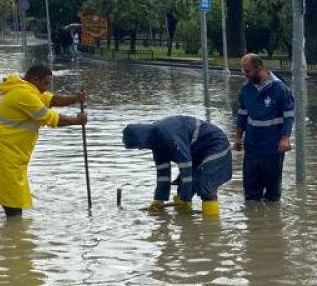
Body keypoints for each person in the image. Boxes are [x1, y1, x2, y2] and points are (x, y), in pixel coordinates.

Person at [0, 64, 89, 217]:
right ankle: (15, 232)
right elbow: (49, 117)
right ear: (34, 79)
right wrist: (76, 121)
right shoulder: (24, 94)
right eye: (45, 84)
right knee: (11, 195)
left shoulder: (27, 89)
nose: (46, 88)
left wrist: (75, 99)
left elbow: (51, 99)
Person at [122, 115, 233, 215]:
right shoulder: (155, 142)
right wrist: (159, 200)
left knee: (206, 185)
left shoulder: (169, 135)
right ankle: (187, 227)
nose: (141, 148)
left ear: (143, 138)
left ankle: (212, 229)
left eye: (139, 145)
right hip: (196, 152)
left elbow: (186, 167)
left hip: (215, 144)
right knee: (183, 187)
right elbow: (163, 173)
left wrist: (185, 198)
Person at [235, 53, 294, 202]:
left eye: (247, 71)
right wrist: (238, 137)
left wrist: (285, 138)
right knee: (250, 191)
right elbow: (242, 114)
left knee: (272, 193)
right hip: (252, 147)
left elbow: (288, 115)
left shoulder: (279, 88)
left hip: (272, 147)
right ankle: (254, 222)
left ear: (259, 68)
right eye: (243, 71)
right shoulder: (246, 89)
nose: (245, 75)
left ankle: (273, 222)